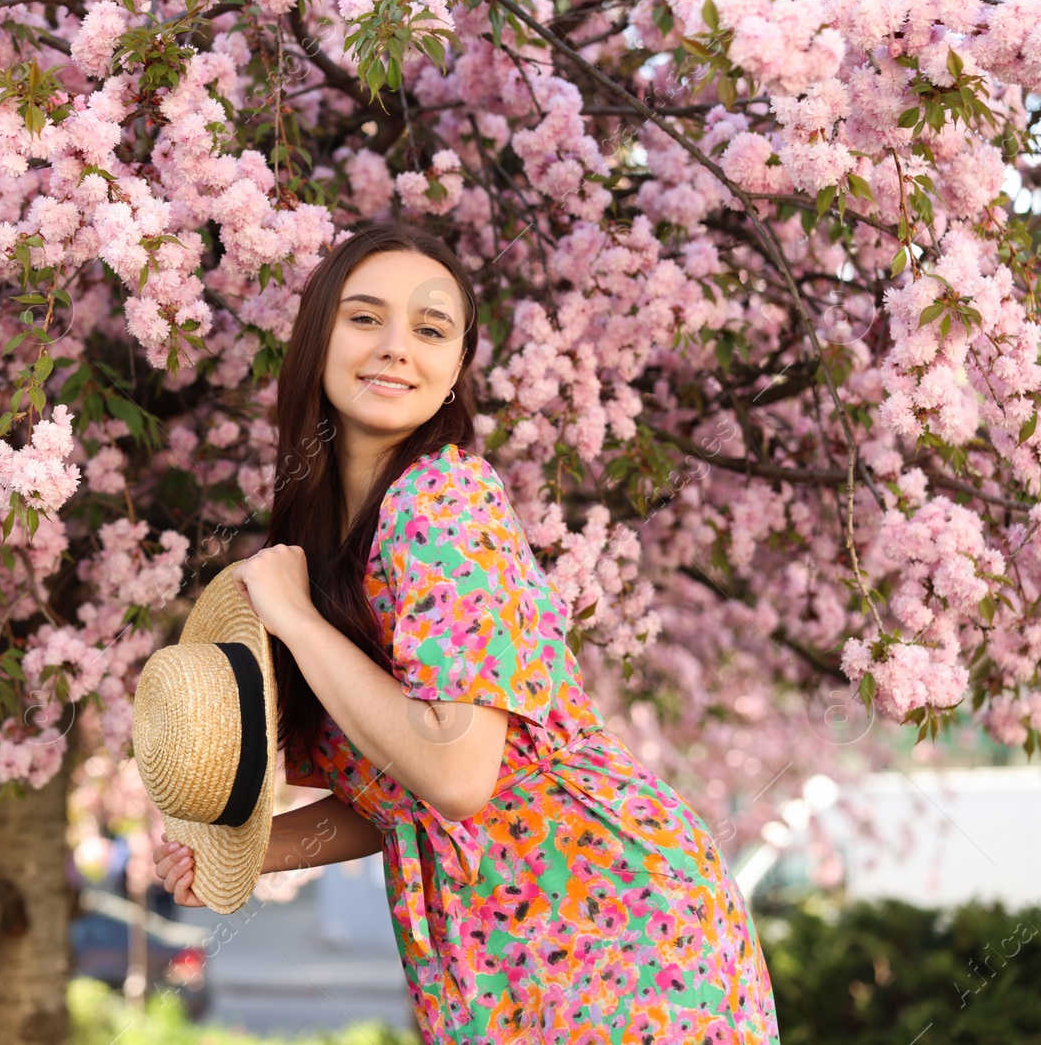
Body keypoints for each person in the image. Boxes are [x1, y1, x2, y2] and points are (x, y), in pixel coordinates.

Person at [151, 222, 780, 1043]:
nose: (396, 348)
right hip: (495, 954)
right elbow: (399, 801)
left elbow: (456, 773)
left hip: (612, 931)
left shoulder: (442, 497)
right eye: (365, 317)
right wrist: (253, 851)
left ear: (455, 372)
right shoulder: (332, 543)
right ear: (317, 340)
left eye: (430, 328)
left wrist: (298, 622)